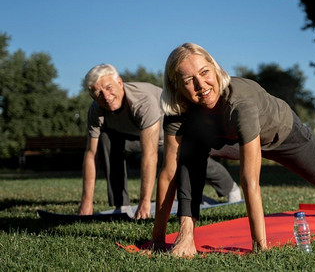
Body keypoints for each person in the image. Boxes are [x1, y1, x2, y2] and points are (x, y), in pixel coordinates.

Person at [151, 43, 315, 256]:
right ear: (176, 86)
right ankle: (186, 235)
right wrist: (158, 240)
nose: (201, 86)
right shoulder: (178, 111)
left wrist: (260, 247)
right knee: (190, 150)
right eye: (189, 80)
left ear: (215, 68)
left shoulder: (240, 103)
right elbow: (169, 172)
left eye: (204, 73)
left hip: (284, 135)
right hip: (228, 139)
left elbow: (250, 180)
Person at [77, 63, 241, 220]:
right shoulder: (96, 110)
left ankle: (230, 188)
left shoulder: (142, 101)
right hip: (136, 136)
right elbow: (92, 154)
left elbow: (150, 155)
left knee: (189, 159)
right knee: (106, 140)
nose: (106, 96)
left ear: (119, 82)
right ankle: (121, 205)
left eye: (108, 88)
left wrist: (144, 203)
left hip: (170, 136)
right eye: (98, 93)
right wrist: (86, 202)